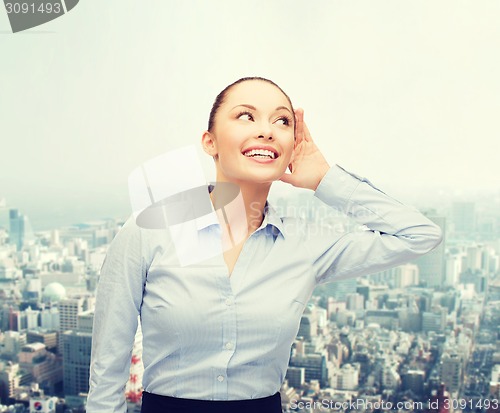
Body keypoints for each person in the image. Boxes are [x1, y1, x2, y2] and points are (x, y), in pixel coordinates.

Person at [86, 77, 442, 413]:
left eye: (283, 122)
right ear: (209, 142)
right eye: (245, 115)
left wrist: (324, 179)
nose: (266, 130)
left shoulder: (305, 244)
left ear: (291, 147)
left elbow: (421, 235)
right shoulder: (149, 230)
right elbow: (108, 367)